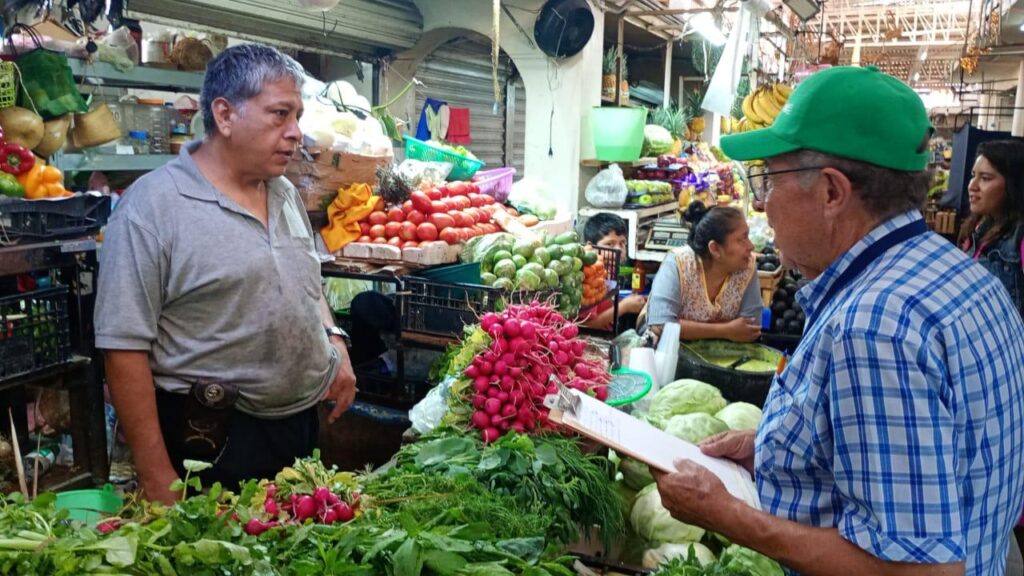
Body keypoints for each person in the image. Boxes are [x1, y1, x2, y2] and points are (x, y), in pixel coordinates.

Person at [652, 66, 1024, 576]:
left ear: (831, 191)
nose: (761, 204)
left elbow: (918, 571)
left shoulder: (875, 328)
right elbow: (938, 467)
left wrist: (728, 515)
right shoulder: (965, 280)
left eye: (769, 179)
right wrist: (772, 454)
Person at [94, 44, 357, 505]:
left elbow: (304, 280)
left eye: (297, 115)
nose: (296, 133)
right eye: (280, 114)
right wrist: (157, 478)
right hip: (213, 438)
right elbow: (123, 349)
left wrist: (334, 341)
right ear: (225, 114)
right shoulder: (153, 208)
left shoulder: (285, 193)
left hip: (298, 428)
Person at [639, 201, 762, 342]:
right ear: (715, 249)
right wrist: (726, 330)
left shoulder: (746, 266)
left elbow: (751, 328)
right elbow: (661, 325)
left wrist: (687, 327)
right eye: (742, 239)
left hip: (717, 353)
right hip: (668, 350)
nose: (751, 246)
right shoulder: (679, 263)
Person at [959, 139, 1024, 318]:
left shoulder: (1019, 236)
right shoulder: (976, 229)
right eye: (973, 175)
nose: (972, 186)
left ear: (1013, 185)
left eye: (985, 178)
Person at [579, 213, 646, 330]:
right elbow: (585, 325)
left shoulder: (608, 272)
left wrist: (629, 301)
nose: (619, 249)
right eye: (610, 244)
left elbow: (604, 302)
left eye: (622, 243)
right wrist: (624, 307)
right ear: (591, 247)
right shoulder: (588, 276)